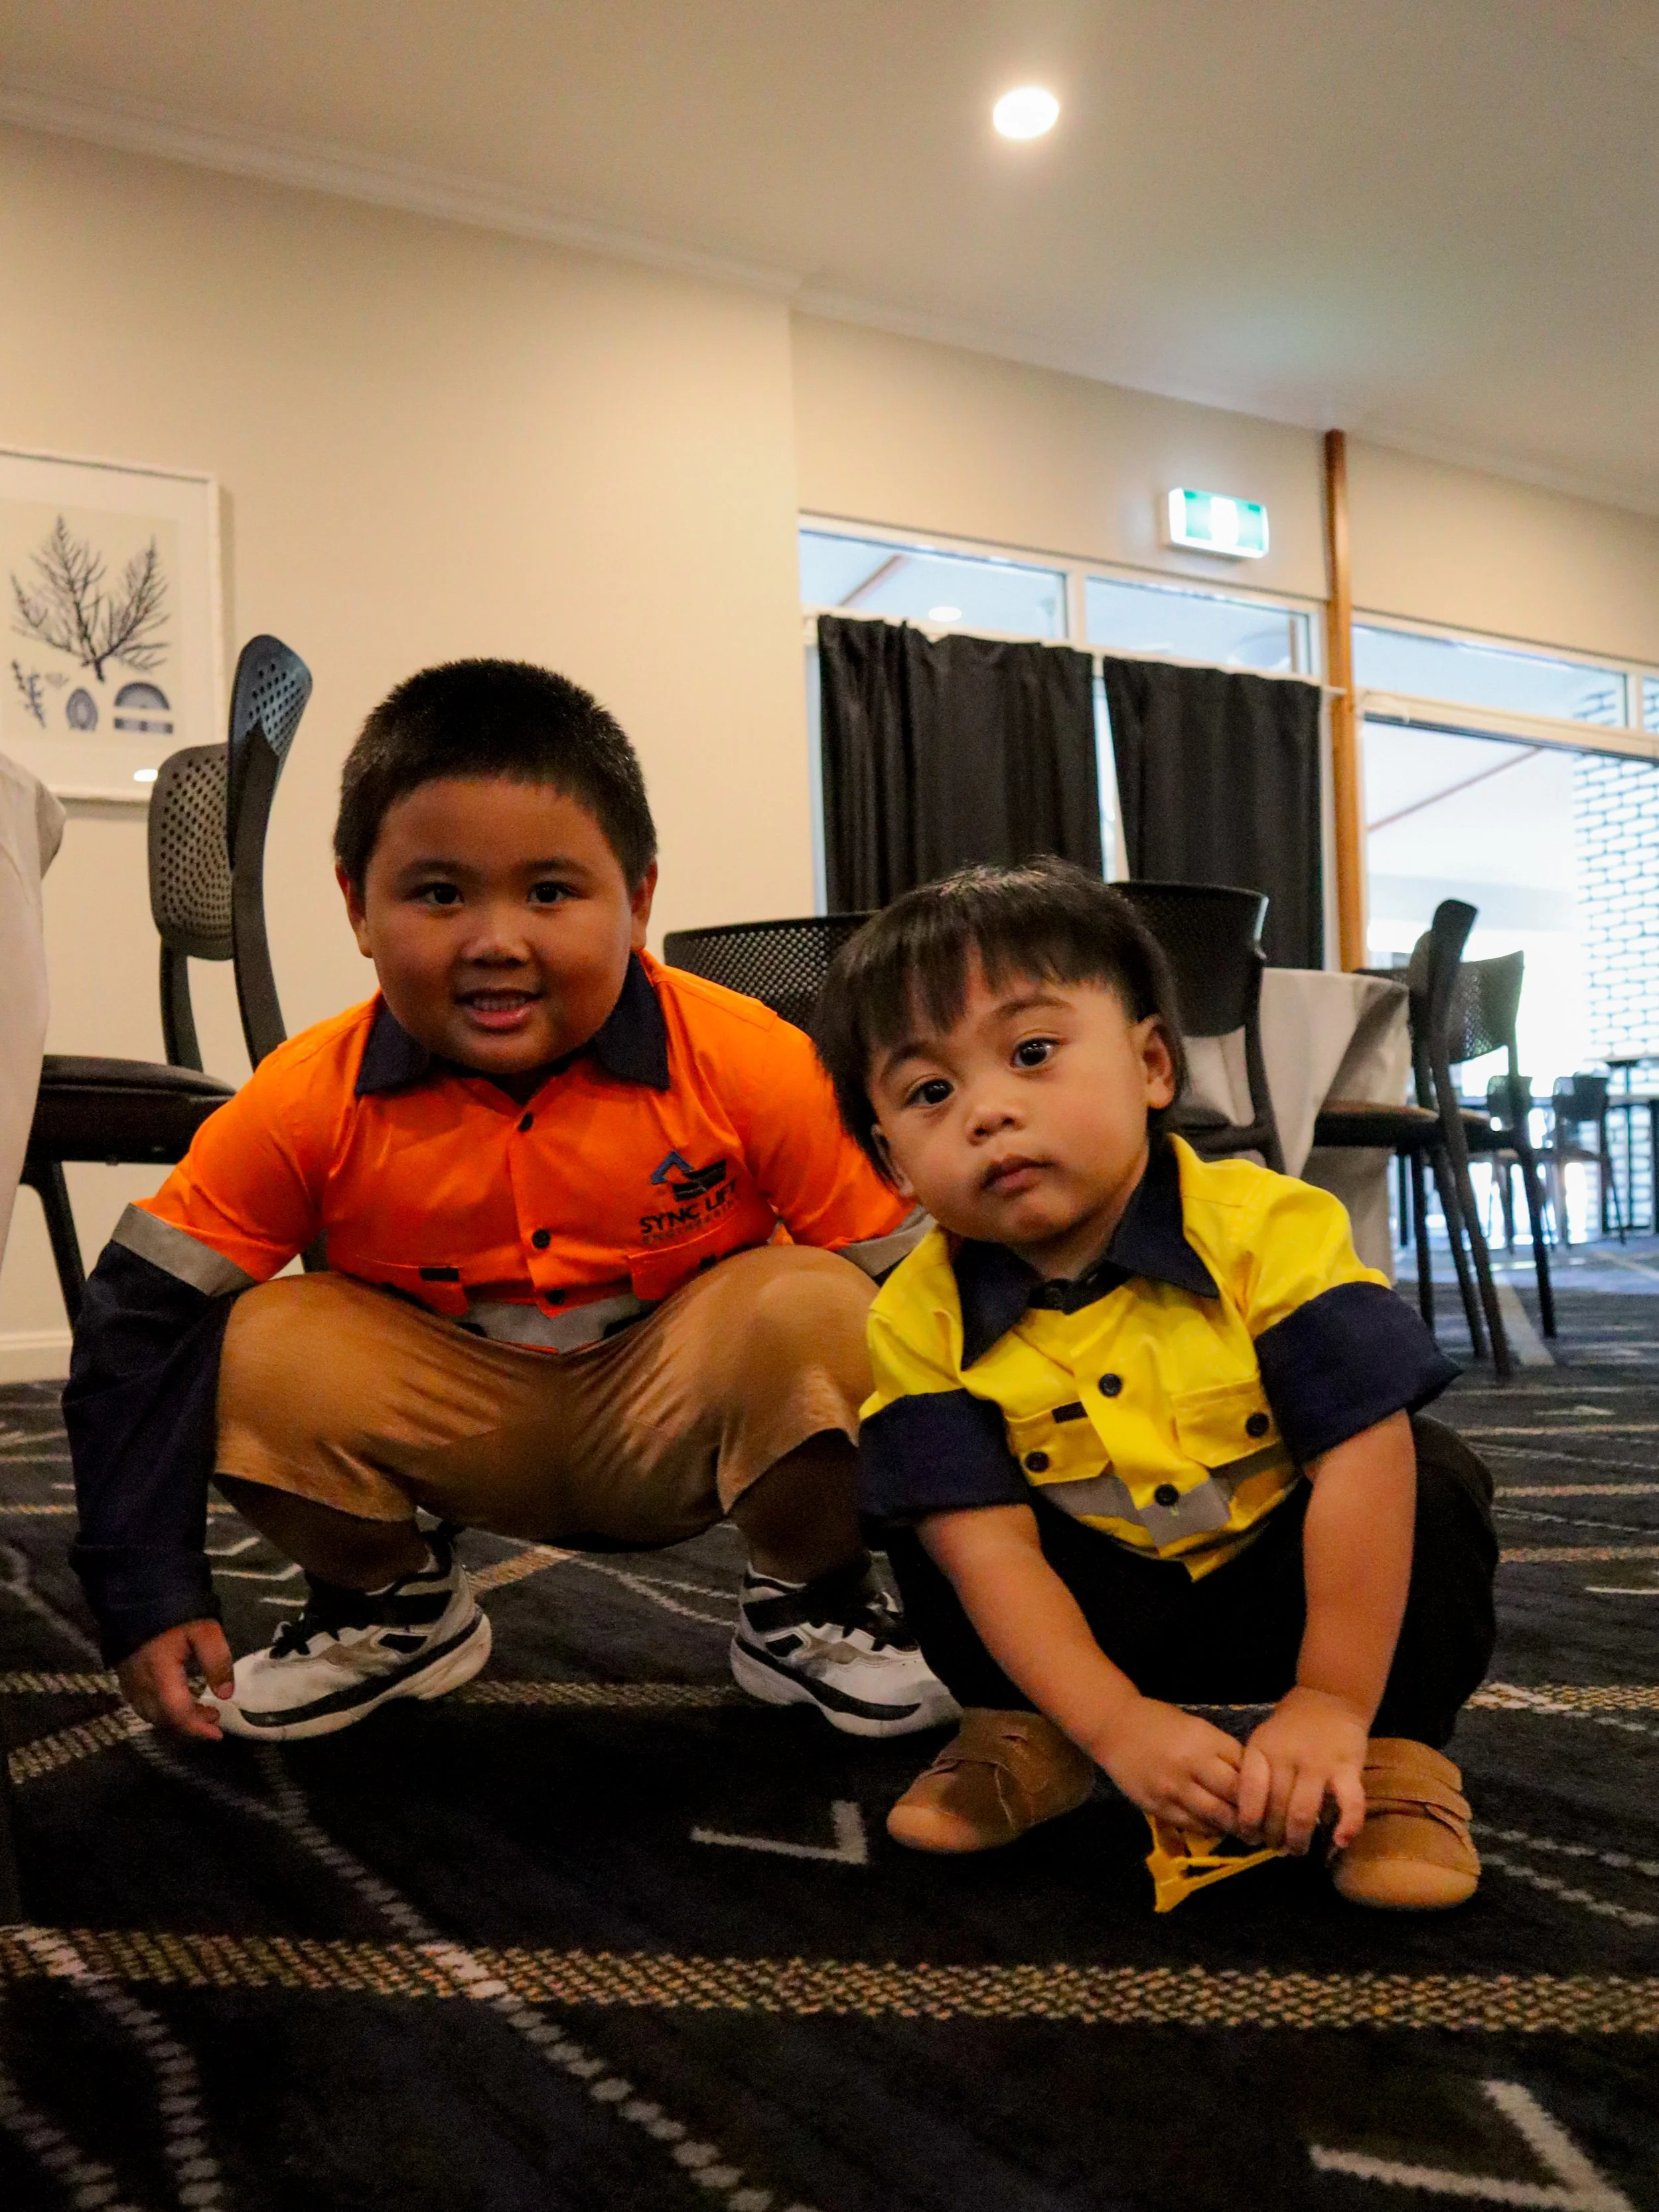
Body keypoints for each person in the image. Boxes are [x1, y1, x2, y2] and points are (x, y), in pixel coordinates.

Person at [66, 659, 954, 1746]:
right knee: (243, 1340)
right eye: (439, 893)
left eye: (550, 892)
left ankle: (806, 1598)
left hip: (680, 1423)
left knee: (826, 1306)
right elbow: (136, 1322)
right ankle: (395, 1604)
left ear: (637, 902)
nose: (496, 940)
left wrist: (1001, 1586)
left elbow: (933, 1297)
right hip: (450, 1429)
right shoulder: (305, 1096)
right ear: (356, 906)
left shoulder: (755, 1062)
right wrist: (144, 1589)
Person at [812, 860, 1497, 1911]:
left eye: (1033, 1052)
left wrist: (1327, 1698)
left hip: (1292, 1582)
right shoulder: (914, 1313)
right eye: (930, 1092)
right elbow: (990, 1554)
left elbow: (1360, 1458)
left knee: (1431, 1476)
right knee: (929, 1515)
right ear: (893, 1161)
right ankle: (1025, 1734)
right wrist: (1114, 1726)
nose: (988, 1111)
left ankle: (1396, 1760)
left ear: (1152, 1065)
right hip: (1091, 1607)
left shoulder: (1270, 1227)